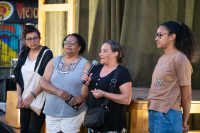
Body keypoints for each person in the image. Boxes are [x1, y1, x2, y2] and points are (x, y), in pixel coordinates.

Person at [148, 21, 199, 133]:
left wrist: (184, 122)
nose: (156, 38)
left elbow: (187, 94)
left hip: (168, 114)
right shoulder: (162, 58)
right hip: (154, 112)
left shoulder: (180, 59)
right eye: (156, 35)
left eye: (160, 34)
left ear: (172, 36)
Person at [40, 33, 91, 133]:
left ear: (79, 47)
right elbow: (43, 82)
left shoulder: (86, 64)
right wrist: (57, 91)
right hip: (51, 110)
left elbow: (91, 88)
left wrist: (83, 97)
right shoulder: (54, 61)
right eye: (66, 42)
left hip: (72, 112)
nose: (68, 45)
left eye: (72, 43)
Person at [82, 40, 132, 133]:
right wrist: (85, 85)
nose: (100, 54)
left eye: (104, 51)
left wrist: (104, 94)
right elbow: (85, 96)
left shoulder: (122, 72)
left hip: (111, 126)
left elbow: (126, 99)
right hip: (93, 122)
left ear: (115, 54)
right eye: (101, 51)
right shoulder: (96, 68)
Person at [14, 25, 53, 133]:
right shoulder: (24, 53)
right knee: (24, 129)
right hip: (25, 96)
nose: (33, 41)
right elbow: (18, 76)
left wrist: (32, 96)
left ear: (40, 38)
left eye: (35, 38)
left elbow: (46, 78)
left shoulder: (46, 53)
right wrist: (19, 96)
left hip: (39, 96)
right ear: (25, 40)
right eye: (29, 39)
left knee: (34, 130)